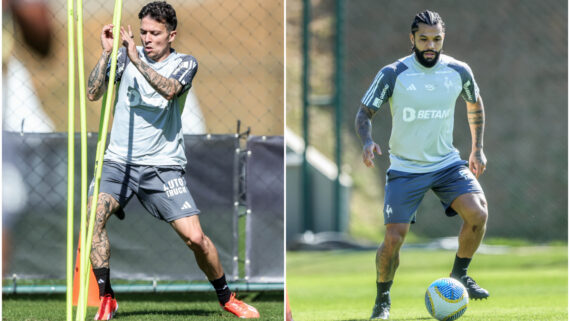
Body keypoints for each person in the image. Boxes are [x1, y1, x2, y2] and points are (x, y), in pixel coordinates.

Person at [86, 2, 259, 319]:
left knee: (196, 239)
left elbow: (169, 91)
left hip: (162, 166)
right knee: (92, 219)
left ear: (171, 34)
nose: (147, 38)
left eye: (155, 33)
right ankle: (107, 297)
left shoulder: (185, 63)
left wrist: (136, 60)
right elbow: (93, 93)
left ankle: (227, 297)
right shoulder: (125, 59)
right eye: (143, 33)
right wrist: (107, 54)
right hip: (117, 162)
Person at [355, 10, 489, 320]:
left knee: (478, 213)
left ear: (443, 39)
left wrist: (477, 148)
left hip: (446, 164)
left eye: (437, 39)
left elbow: (474, 102)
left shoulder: (458, 70)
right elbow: (364, 113)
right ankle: (382, 300)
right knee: (393, 239)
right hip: (405, 168)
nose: (430, 45)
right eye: (424, 39)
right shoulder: (393, 73)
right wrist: (366, 141)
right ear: (412, 39)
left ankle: (460, 277)